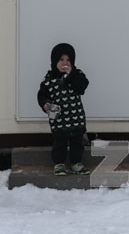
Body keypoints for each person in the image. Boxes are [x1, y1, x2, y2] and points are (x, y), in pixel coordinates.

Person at [36, 42, 90, 176]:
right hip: (58, 119)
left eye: (68, 60)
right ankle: (59, 163)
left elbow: (81, 87)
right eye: (61, 60)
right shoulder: (48, 79)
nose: (65, 63)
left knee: (76, 142)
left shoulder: (76, 75)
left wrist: (71, 74)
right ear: (54, 61)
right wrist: (45, 104)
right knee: (59, 142)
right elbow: (42, 94)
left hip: (75, 117)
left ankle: (76, 162)